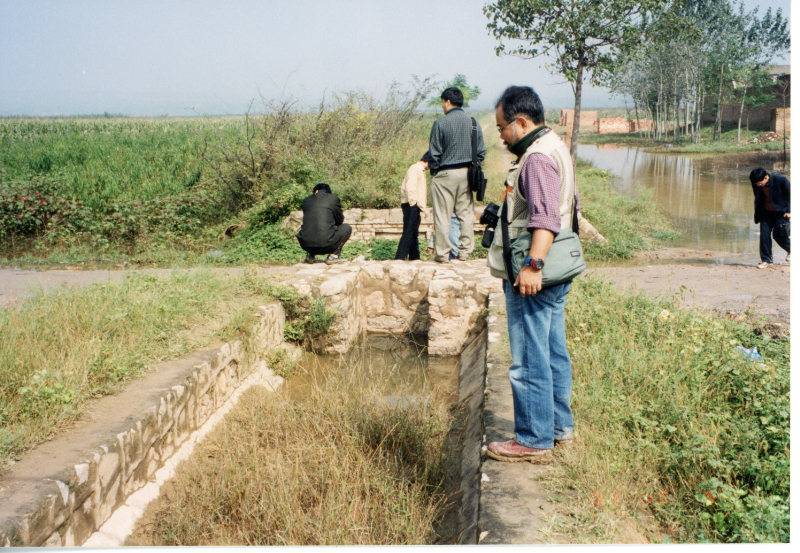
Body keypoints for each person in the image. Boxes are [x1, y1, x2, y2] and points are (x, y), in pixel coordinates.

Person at [485, 86, 579, 464]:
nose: (501, 135)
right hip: (556, 269)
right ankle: (558, 428)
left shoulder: (536, 159)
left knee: (529, 357)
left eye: (502, 127)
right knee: (553, 351)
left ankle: (532, 438)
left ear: (521, 122)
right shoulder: (555, 146)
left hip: (536, 273)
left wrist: (532, 266)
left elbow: (545, 219)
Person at [427, 87, 485, 263]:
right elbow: (481, 152)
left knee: (443, 216)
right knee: (465, 214)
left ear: (447, 102)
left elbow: (434, 154)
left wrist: (436, 172)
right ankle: (464, 253)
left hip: (445, 174)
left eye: (443, 103)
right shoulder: (474, 123)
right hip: (467, 174)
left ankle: (443, 255)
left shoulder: (440, 123)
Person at [296, 183, 351, 265]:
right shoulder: (333, 199)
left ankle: (310, 256)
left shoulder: (306, 200)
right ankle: (333, 256)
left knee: (310, 227)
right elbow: (340, 221)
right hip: (327, 245)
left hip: (306, 245)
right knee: (347, 228)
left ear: (316, 191)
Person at [750, 168, 790, 268]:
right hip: (765, 212)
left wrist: (790, 211)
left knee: (778, 235)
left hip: (781, 212)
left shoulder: (781, 180)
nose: (758, 185)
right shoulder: (756, 183)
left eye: (759, 183)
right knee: (764, 235)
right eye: (756, 184)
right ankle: (766, 259)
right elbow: (758, 197)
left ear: (766, 177)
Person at [395, 154, 430, 260]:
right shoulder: (415, 168)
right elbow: (410, 187)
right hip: (411, 204)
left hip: (413, 205)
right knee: (409, 233)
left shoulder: (420, 170)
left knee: (413, 233)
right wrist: (413, 203)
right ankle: (399, 259)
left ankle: (415, 258)